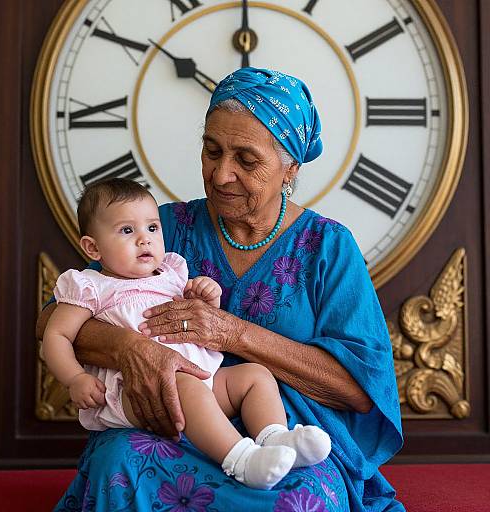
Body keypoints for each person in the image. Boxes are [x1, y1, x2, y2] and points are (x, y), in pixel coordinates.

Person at [38, 67, 404, 511]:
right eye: (212, 151)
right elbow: (53, 317)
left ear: (290, 167)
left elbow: (359, 388)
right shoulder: (163, 228)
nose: (220, 174)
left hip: (283, 429)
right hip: (168, 421)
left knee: (302, 497)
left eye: (246, 160)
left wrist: (232, 333)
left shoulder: (327, 246)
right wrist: (127, 347)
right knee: (119, 462)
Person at [42, 178, 331, 490]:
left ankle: (275, 437)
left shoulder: (170, 273)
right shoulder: (92, 286)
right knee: (185, 385)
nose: (144, 240)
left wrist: (206, 296)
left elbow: (199, 317)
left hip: (200, 381)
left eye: (152, 228)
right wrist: (74, 378)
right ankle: (242, 461)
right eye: (127, 231)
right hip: (134, 394)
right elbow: (55, 336)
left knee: (254, 376)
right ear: (92, 247)